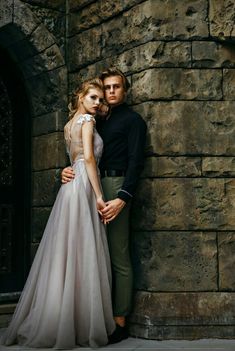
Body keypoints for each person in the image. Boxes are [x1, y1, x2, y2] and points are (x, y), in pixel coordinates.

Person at [0, 78, 115, 349]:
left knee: (66, 253)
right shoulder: (87, 121)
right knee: (82, 251)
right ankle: (77, 323)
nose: (98, 104)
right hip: (85, 186)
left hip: (70, 190)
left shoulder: (67, 125)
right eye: (93, 98)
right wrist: (99, 197)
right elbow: (87, 159)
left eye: (100, 100)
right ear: (80, 97)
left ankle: (64, 319)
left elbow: (72, 161)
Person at [62, 67, 147, 343]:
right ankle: (96, 317)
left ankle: (119, 322)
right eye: (106, 88)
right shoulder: (96, 118)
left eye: (116, 87)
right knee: (93, 253)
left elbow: (136, 161)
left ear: (125, 90)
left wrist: (123, 197)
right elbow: (81, 153)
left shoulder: (133, 121)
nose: (110, 93)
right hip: (90, 187)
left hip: (115, 187)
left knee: (118, 254)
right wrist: (64, 171)